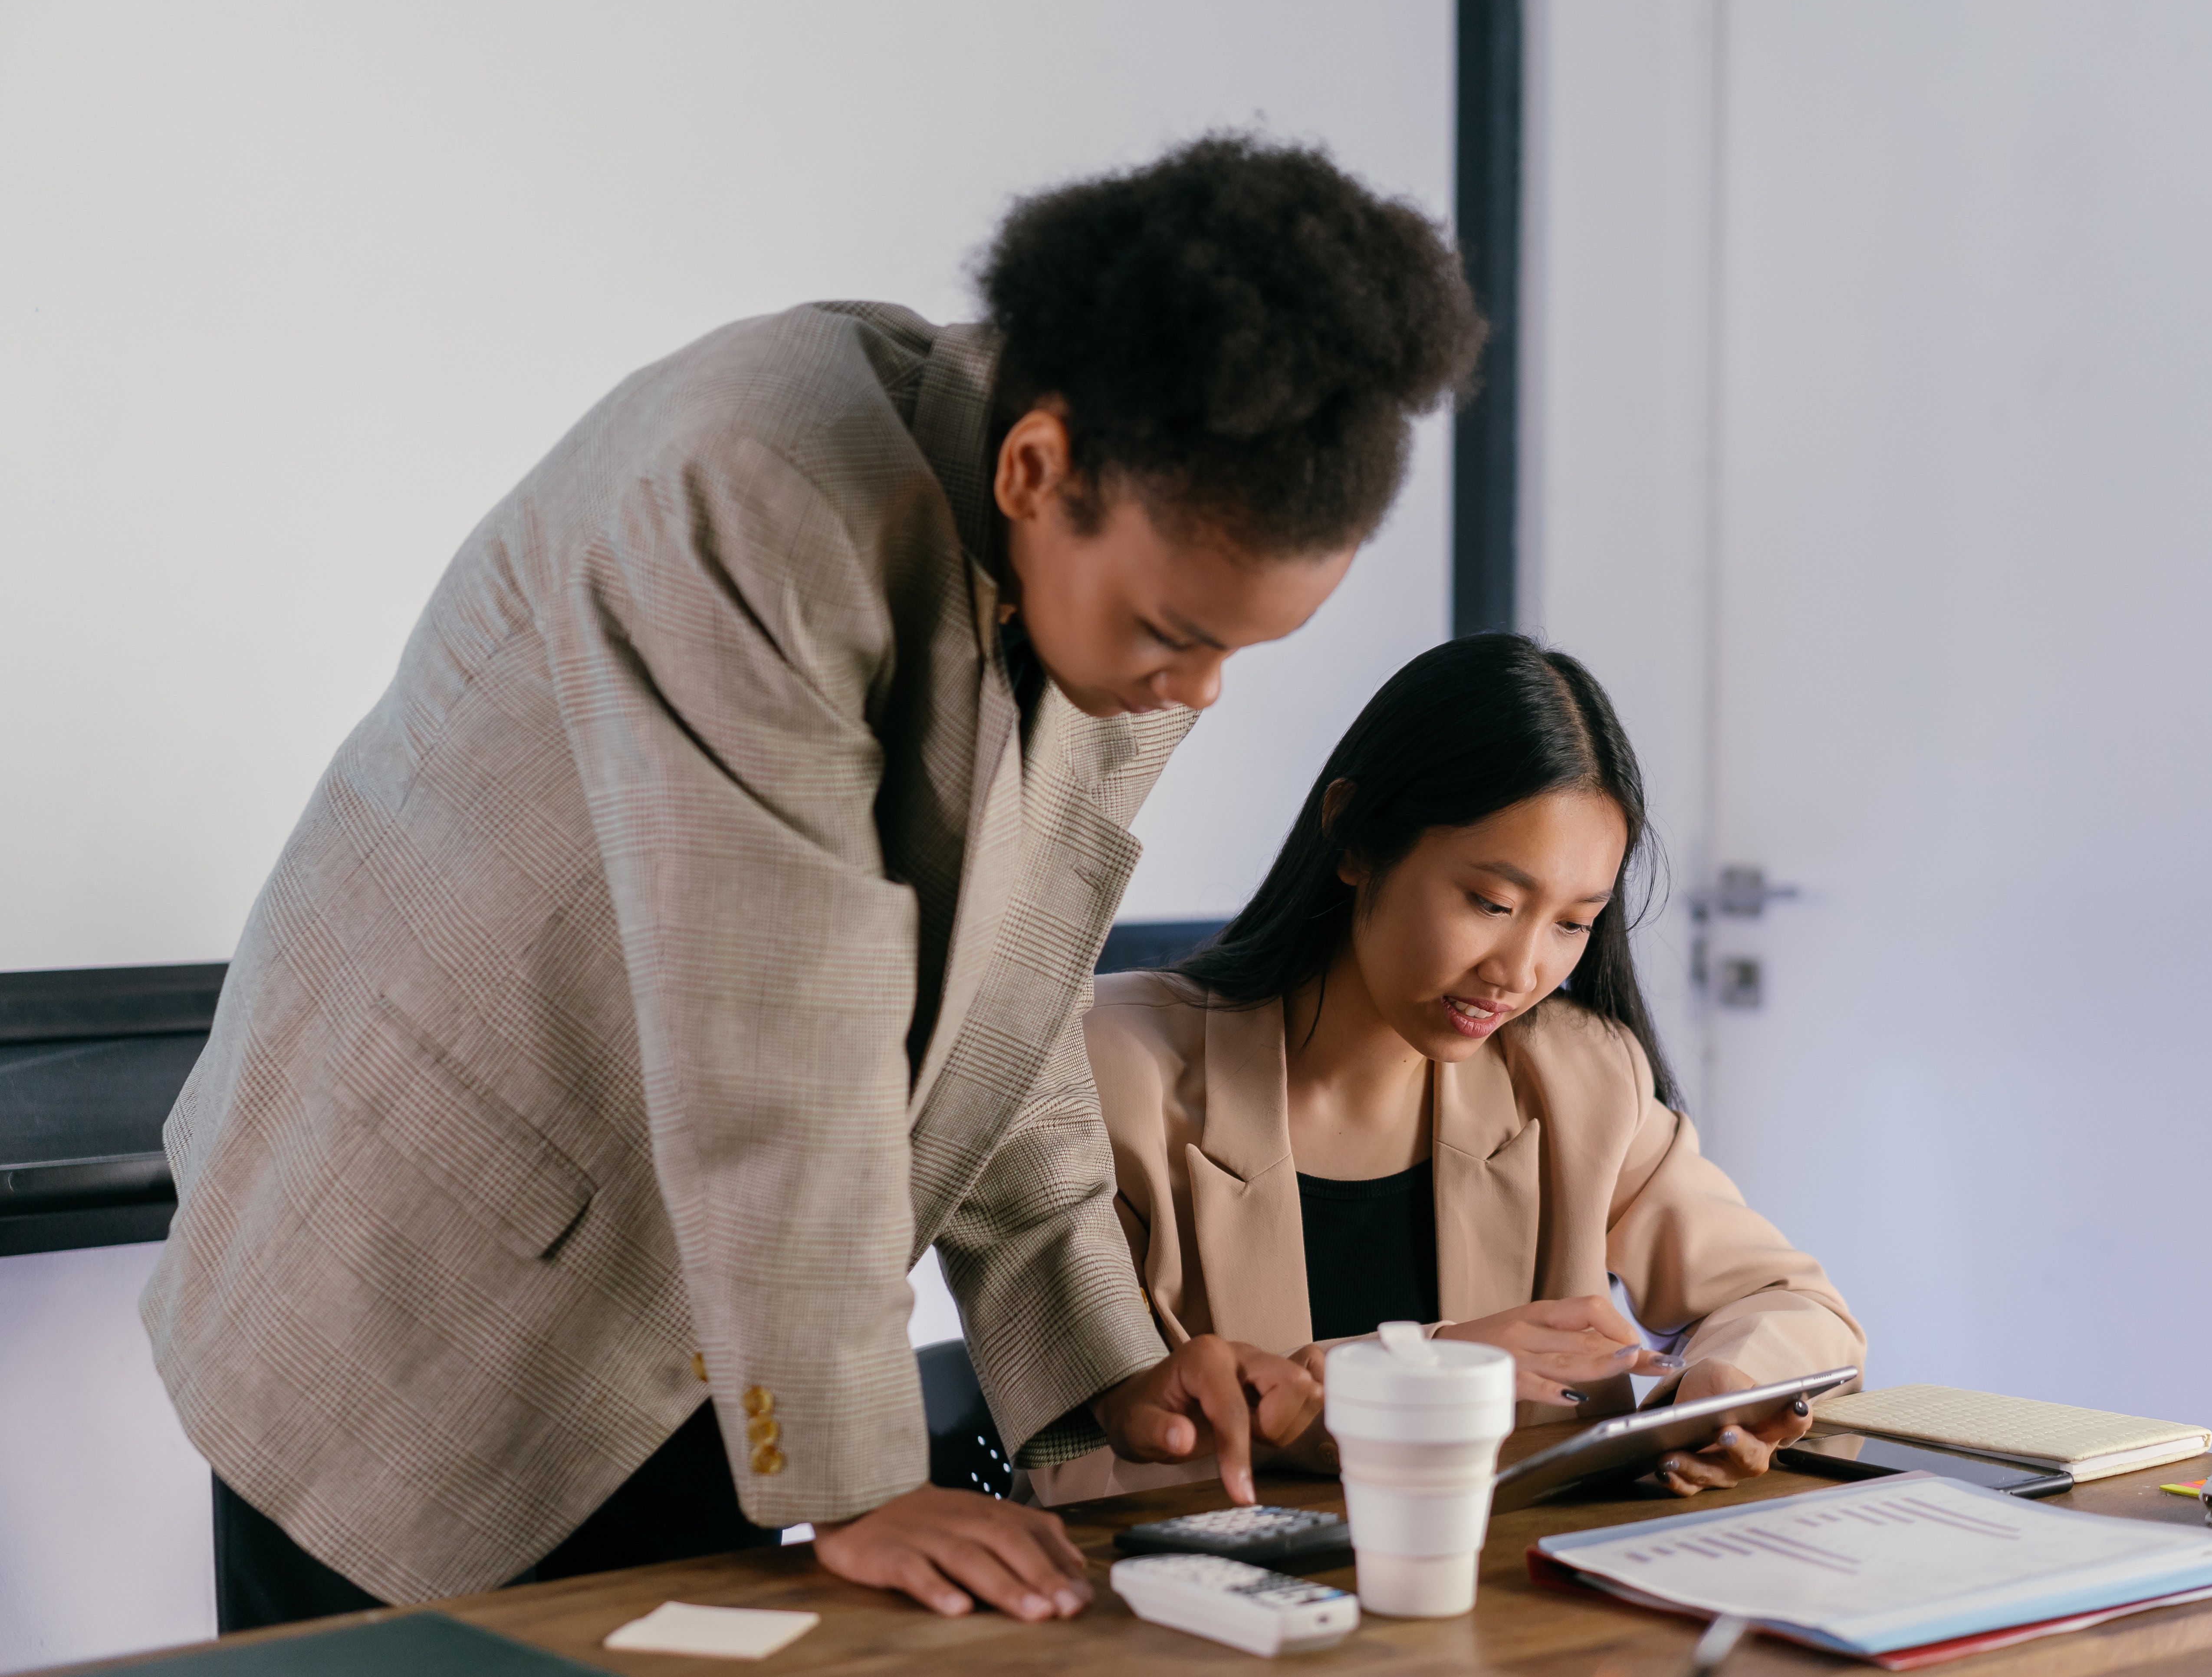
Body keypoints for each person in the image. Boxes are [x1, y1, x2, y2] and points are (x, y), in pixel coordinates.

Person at [142, 135, 1483, 1629]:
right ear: (1037, 467)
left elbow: (1009, 1004)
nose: (1202, 690)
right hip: (416, 1299)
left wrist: (1107, 1361)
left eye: (1243, 650)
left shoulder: (1115, 594)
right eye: (1181, 634)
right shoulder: (745, 485)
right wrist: (856, 1474)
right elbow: (774, 1023)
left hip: (713, 1318)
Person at [1035, 633, 1864, 1506]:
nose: (1520, 968)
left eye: (1572, 923)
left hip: (1497, 1608)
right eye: (1492, 903)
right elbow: (1095, 1454)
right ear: (1354, 836)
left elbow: (1797, 1306)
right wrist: (1435, 1370)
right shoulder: (1105, 1068)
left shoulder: (1578, 1076)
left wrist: (1722, 1383)